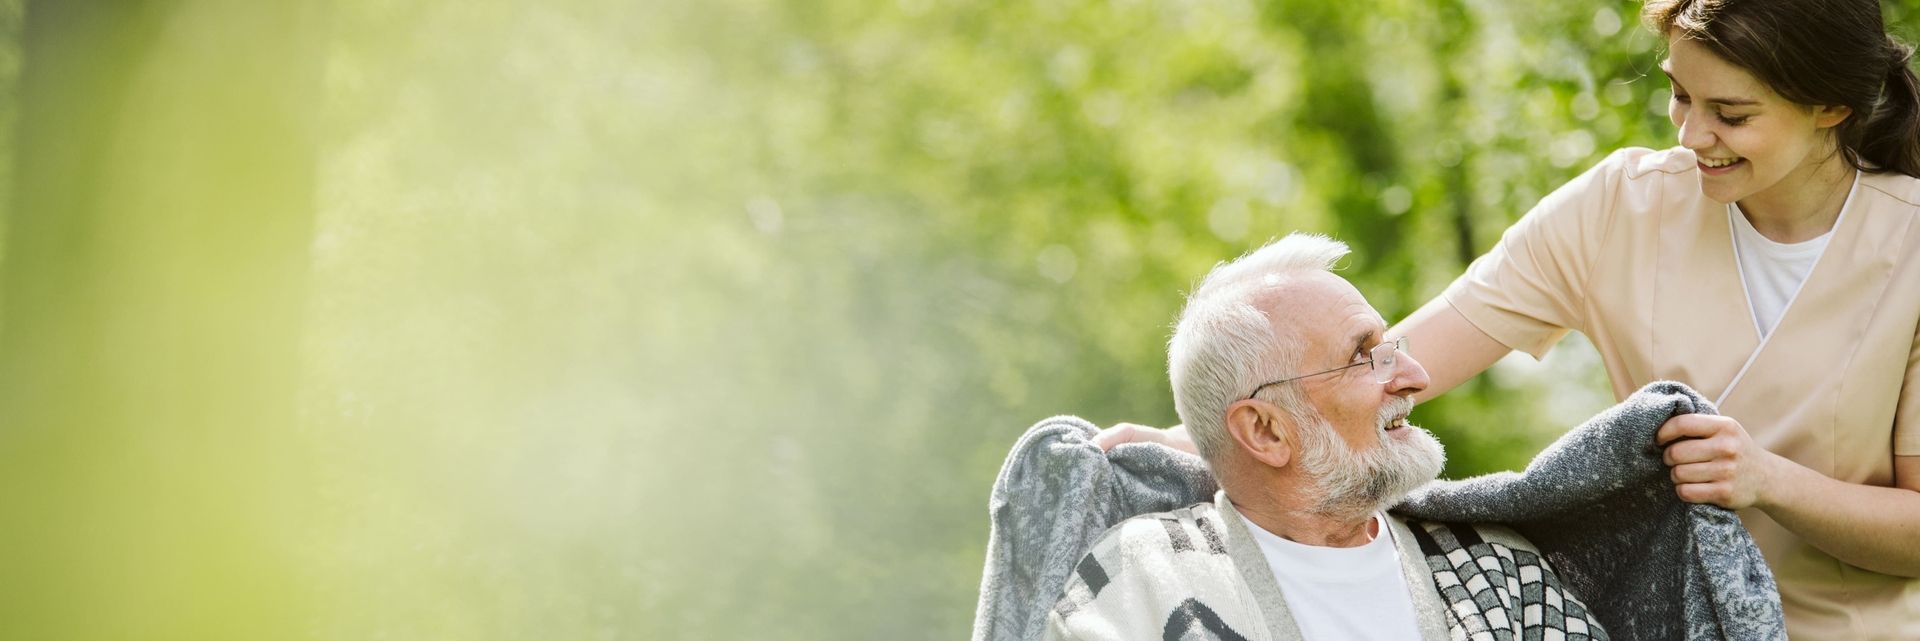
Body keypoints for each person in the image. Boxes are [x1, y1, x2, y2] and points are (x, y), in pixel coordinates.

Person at [1103, 0, 1920, 637]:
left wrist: (1770, 481)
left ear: (1831, 108)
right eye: (1678, 95)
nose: (1692, 133)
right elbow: (1402, 358)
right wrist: (1203, 437)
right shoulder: (1619, 209)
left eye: (1731, 114)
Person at [1047, 234, 1606, 641]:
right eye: (1364, 357)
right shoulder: (1139, 581)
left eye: (1392, 348)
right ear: (1264, 430)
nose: (1417, 377)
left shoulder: (1501, 569)